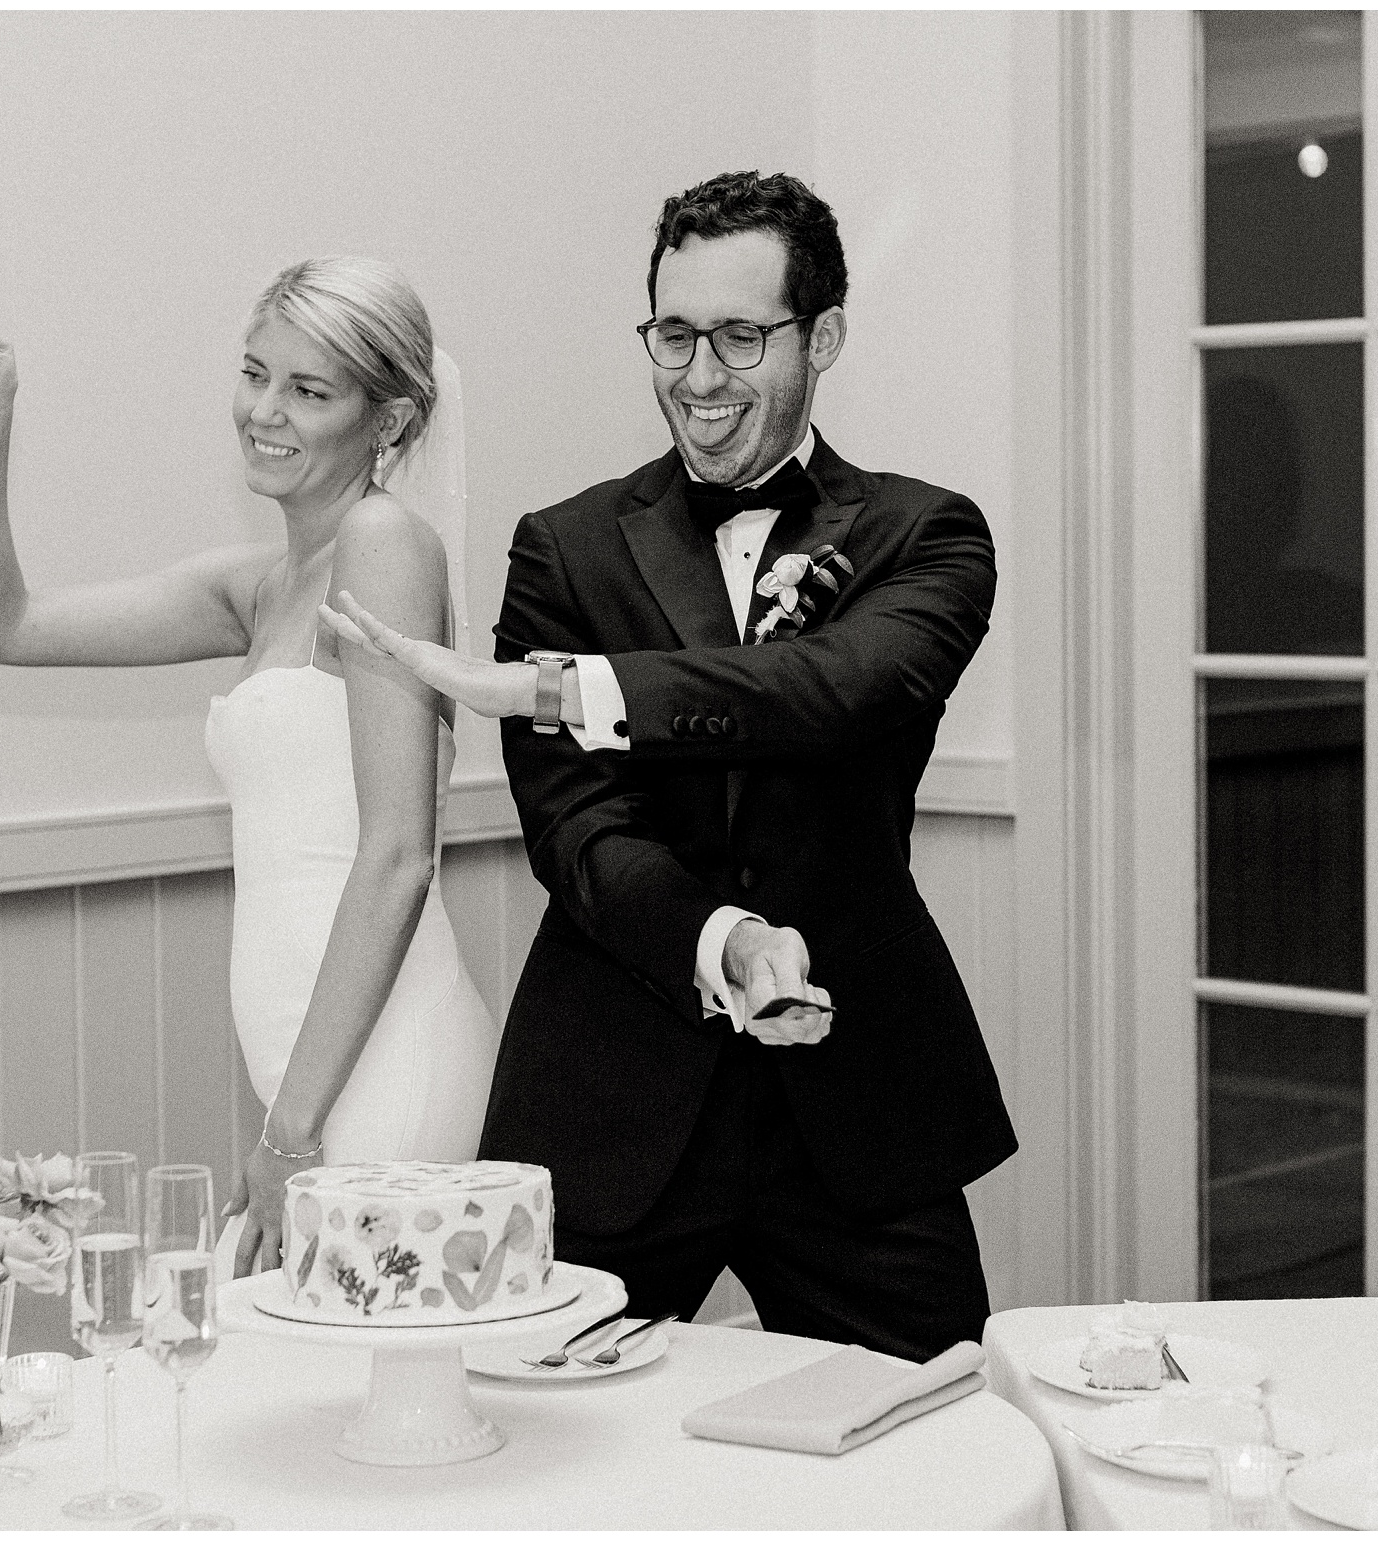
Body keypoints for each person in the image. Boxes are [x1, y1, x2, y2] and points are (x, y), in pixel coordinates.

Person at [324, 171, 1017, 1360]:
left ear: (824, 335)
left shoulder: (926, 532)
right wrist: (722, 941)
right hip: (612, 1089)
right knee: (544, 1444)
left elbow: (829, 692)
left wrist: (565, 687)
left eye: (741, 336)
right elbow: (578, 834)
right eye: (673, 333)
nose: (698, 378)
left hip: (851, 1105)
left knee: (933, 1432)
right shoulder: (565, 545)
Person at [0, 253, 500, 1279]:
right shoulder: (259, 586)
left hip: (383, 1063)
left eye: (309, 390)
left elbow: (396, 856)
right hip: (307, 1071)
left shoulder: (384, 541)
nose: (263, 410)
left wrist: (289, 1134)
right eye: (255, 372)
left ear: (385, 422)